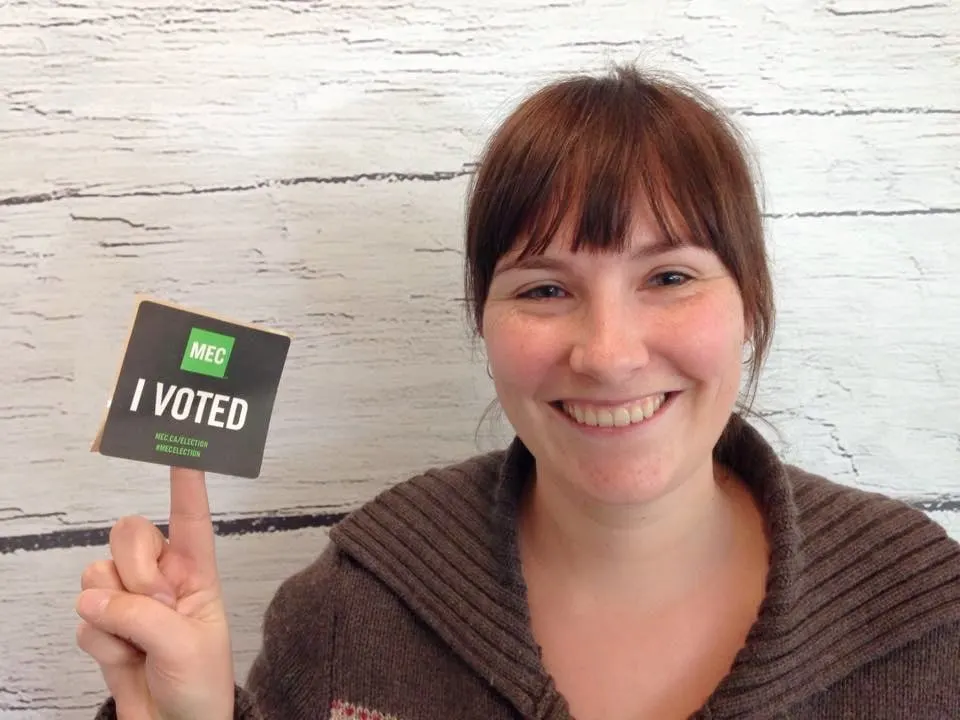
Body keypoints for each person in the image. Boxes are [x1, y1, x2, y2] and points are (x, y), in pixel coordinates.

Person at [76, 64, 960, 720]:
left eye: (670, 278)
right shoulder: (357, 606)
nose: (609, 355)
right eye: (544, 289)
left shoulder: (924, 618)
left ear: (750, 306)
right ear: (485, 323)